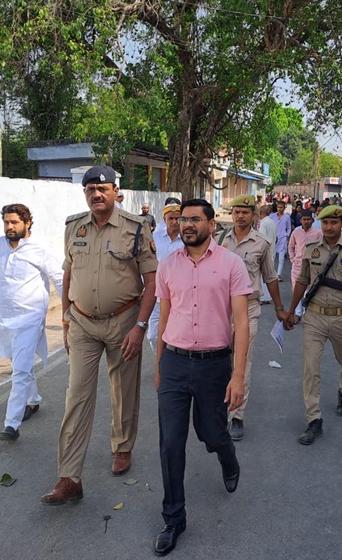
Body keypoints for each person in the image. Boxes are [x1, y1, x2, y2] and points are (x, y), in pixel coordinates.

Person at [41, 165, 158, 506]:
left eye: (103, 188)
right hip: (82, 323)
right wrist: (66, 319)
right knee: (77, 395)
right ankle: (69, 476)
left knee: (123, 389)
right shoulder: (73, 227)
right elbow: (67, 275)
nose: (96, 194)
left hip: (124, 321)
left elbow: (152, 282)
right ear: (85, 193)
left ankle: (122, 446)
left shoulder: (136, 228)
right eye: (90, 189)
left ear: (115, 192)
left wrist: (140, 327)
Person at [153, 199, 252, 556]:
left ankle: (227, 457)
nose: (187, 225)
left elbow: (241, 323)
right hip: (175, 363)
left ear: (211, 224)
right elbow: (164, 318)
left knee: (211, 432)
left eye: (195, 219)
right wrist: (159, 366)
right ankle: (173, 518)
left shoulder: (231, 264)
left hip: (214, 365)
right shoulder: (167, 266)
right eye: (183, 219)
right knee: (170, 443)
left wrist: (238, 375)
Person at [284, 205, 342, 445]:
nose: (329, 227)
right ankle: (314, 419)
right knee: (310, 368)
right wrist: (291, 312)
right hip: (314, 317)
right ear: (320, 224)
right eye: (325, 223)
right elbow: (302, 281)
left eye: (334, 223)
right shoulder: (311, 248)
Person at [0, 203, 64, 441]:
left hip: (30, 317)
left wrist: (69, 311)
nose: (9, 226)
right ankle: (33, 400)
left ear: (27, 223)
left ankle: (11, 424)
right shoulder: (0, 244)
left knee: (20, 370)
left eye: (14, 222)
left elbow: (59, 278)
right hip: (2, 316)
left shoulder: (38, 249)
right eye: (6, 222)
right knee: (20, 364)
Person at [217, 195, 288, 440]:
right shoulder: (219, 239)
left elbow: (270, 277)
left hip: (248, 309)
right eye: (236, 212)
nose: (240, 216)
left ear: (254, 216)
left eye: (245, 212)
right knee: (219, 360)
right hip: (221, 309)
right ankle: (220, 405)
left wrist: (279, 307)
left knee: (242, 362)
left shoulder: (262, 243)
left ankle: (237, 415)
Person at [147, 201, 184, 345]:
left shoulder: (189, 240)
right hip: (157, 293)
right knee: (153, 335)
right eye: (171, 218)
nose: (174, 222)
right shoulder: (154, 237)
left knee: (177, 335)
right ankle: (161, 358)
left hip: (180, 294)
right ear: (164, 219)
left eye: (178, 218)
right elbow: (147, 262)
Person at [288, 210, 324, 291]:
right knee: (296, 290)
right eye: (304, 219)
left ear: (312, 220)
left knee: (310, 291)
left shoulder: (318, 233)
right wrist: (292, 259)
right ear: (301, 220)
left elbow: (322, 248)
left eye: (308, 219)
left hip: (312, 266)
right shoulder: (296, 232)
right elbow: (291, 247)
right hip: (297, 265)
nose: (306, 221)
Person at [257, 204, 278, 304]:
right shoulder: (272, 222)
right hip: (272, 250)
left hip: (265, 252)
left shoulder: (263, 223)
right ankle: (267, 296)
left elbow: (262, 239)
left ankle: (264, 297)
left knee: (263, 276)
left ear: (260, 213)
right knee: (269, 275)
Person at [271, 200, 291, 280]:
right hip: (273, 238)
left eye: (281, 207)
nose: (279, 209)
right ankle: (272, 273)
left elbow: (289, 228)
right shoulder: (272, 216)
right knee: (272, 258)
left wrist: (287, 235)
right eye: (278, 207)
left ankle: (278, 274)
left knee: (281, 259)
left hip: (282, 239)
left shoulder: (287, 217)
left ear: (284, 208)